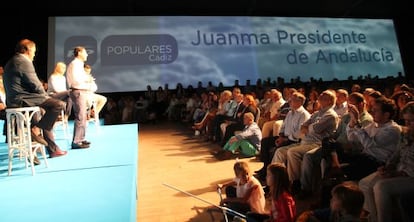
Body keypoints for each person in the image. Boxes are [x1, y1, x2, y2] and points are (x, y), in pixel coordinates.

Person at [2, 38, 67, 160]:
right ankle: (37, 131)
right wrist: (45, 97)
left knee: (42, 112)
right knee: (58, 104)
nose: (34, 55)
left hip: (14, 101)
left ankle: (40, 147)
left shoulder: (11, 61)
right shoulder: (23, 61)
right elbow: (35, 84)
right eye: (34, 52)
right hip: (22, 100)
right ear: (27, 50)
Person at [358, 101, 414, 222]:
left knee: (381, 187)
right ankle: (374, 217)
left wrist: (398, 173)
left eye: (411, 121)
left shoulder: (393, 129)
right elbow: (397, 153)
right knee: (365, 183)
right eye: (406, 121)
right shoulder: (407, 133)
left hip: (410, 175)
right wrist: (388, 167)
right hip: (398, 170)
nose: (408, 124)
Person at [296, 181, 364, 222]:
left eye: (334, 199)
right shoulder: (335, 211)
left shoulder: (351, 220)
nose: (331, 200)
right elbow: (312, 213)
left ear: (345, 205)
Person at [66, 46, 92, 149]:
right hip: (78, 91)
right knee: (80, 116)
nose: (87, 54)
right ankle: (76, 141)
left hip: (81, 91)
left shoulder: (79, 64)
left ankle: (81, 138)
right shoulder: (75, 64)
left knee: (83, 116)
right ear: (80, 52)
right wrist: (87, 79)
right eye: (85, 52)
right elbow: (76, 80)